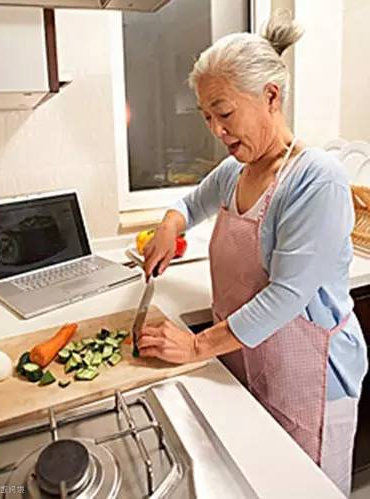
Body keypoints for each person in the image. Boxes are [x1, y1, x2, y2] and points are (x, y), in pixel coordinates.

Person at [137, 10, 368, 497]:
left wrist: (195, 347)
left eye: (224, 113)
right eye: (207, 117)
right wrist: (169, 227)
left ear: (271, 97)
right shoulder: (235, 172)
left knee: (309, 489)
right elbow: (189, 204)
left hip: (312, 376)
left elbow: (285, 296)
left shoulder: (316, 179)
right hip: (248, 357)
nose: (216, 130)